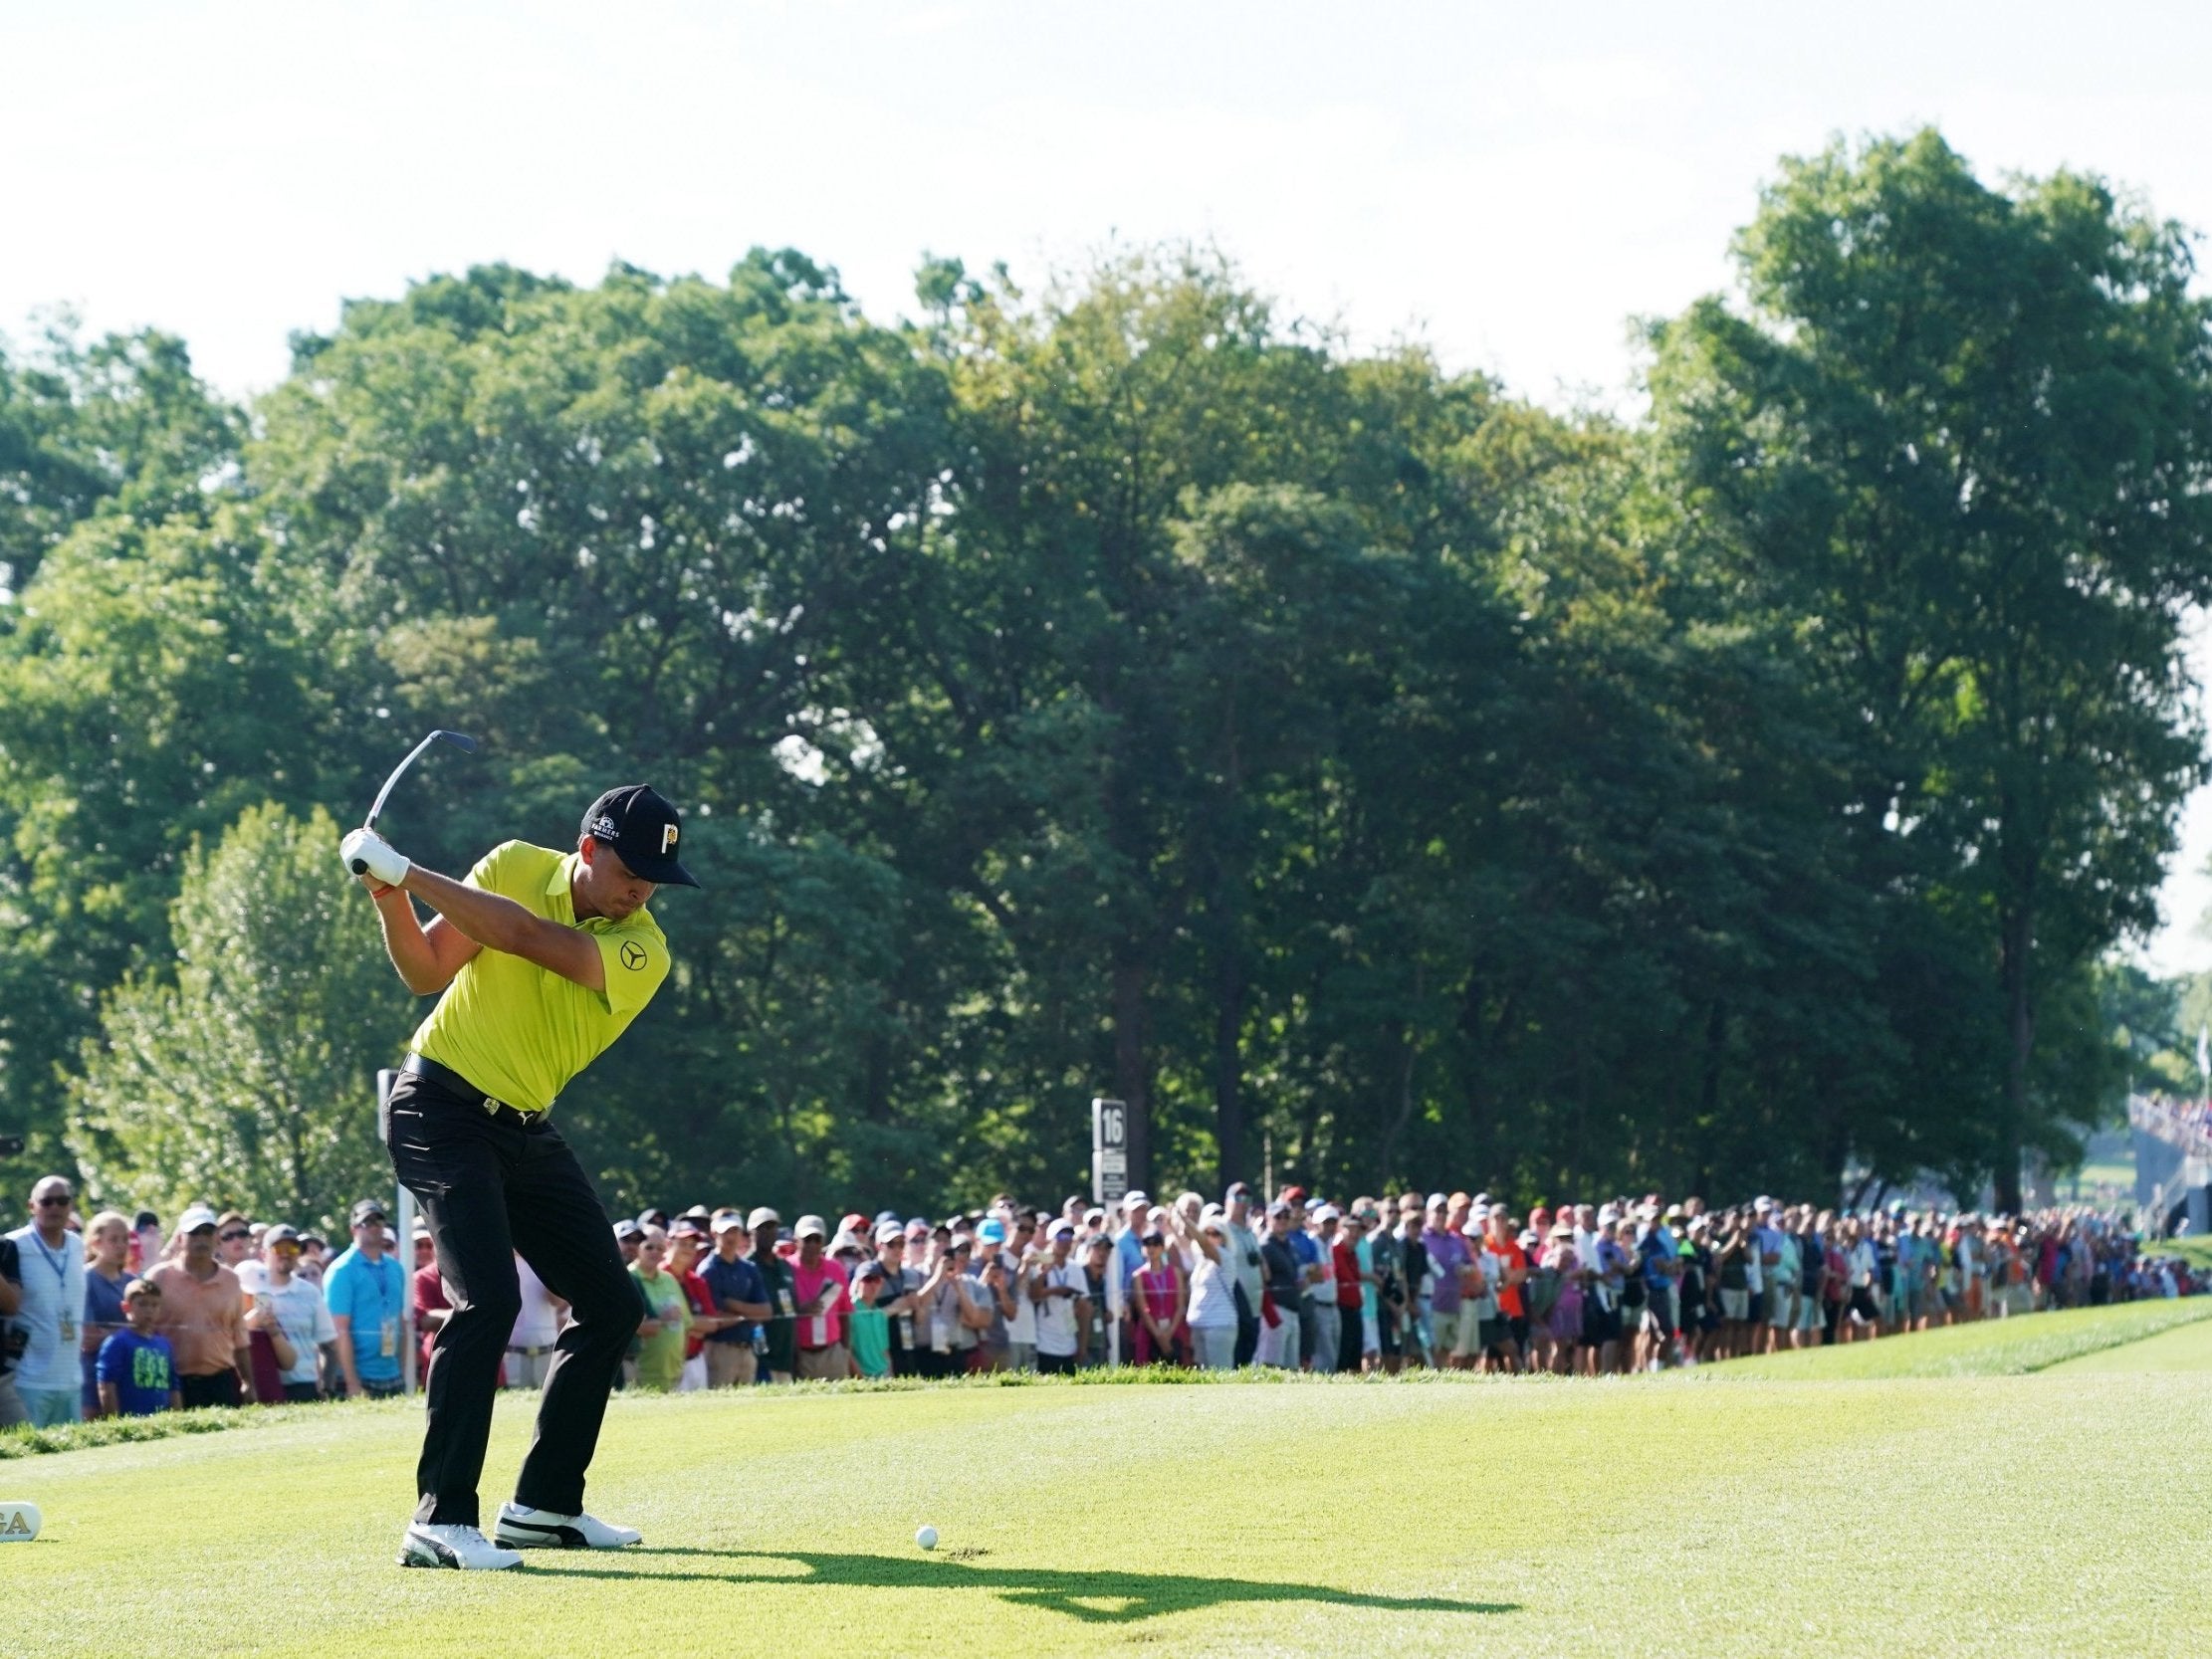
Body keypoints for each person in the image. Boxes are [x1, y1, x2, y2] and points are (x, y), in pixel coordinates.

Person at [343, 782, 696, 1567]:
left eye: (655, 879)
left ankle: (542, 1506)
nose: (641, 891)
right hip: (437, 1103)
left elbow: (530, 938)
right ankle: (439, 1518)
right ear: (589, 848)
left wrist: (408, 870)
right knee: (489, 1297)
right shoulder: (509, 864)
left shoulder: (643, 947)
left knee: (610, 1302)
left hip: (523, 1126)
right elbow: (427, 969)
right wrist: (384, 895)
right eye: (631, 870)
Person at [144, 1204, 257, 1409]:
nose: (201, 1239)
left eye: (207, 1232)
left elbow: (239, 1336)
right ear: (179, 1239)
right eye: (194, 1233)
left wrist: (248, 1382)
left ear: (216, 1238)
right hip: (172, 1382)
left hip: (221, 1380)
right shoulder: (158, 1277)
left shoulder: (230, 1280)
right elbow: (144, 1332)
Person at [7, 1174, 89, 1426]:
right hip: (28, 1380)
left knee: (72, 1461)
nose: (55, 1208)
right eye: (47, 1201)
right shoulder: (12, 1246)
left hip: (71, 1378)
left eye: (62, 1201)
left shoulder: (76, 1245)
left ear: (71, 1206)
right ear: (32, 1206)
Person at [324, 1200, 408, 1400]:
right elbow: (339, 1330)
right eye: (366, 1222)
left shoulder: (395, 1268)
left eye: (378, 1221)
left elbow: (400, 1321)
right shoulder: (342, 1270)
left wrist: (402, 1371)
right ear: (353, 1229)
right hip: (360, 1377)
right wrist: (353, 1384)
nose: (374, 1226)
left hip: (392, 1374)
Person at [252, 1225, 335, 1402]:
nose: (286, 1253)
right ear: (263, 1254)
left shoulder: (310, 1292)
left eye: (292, 1248)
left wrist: (326, 1388)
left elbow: (328, 1345)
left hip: (304, 1387)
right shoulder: (252, 1291)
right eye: (279, 1248)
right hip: (265, 1387)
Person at [95, 1279, 182, 1417]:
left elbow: (173, 1385)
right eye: (142, 1304)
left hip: (162, 1420)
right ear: (126, 1307)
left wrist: (177, 1418)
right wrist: (114, 1423)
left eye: (155, 1305)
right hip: (131, 1419)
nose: (149, 1310)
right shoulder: (117, 1342)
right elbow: (107, 1386)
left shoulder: (164, 1344)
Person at [700, 1213, 769, 1388]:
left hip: (747, 1348)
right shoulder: (708, 1270)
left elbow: (766, 1312)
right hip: (719, 1348)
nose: (731, 1237)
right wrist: (749, 1313)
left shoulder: (749, 1268)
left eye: (735, 1231)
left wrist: (734, 1305)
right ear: (715, 1234)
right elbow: (716, 1319)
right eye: (725, 1232)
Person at [80, 1210, 136, 1418]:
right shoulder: (84, 1278)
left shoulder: (132, 1282)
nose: (121, 1245)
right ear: (96, 1242)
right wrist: (131, 1331)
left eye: (125, 1239)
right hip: (93, 1372)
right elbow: (89, 1338)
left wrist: (112, 1332)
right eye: (114, 1240)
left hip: (127, 1371)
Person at [626, 1226, 689, 1391]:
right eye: (649, 1247)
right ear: (639, 1247)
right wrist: (663, 1319)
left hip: (674, 1370)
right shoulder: (629, 1278)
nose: (655, 1252)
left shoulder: (669, 1279)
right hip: (642, 1370)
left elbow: (686, 1323)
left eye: (660, 1248)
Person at [1028, 1220, 1090, 1374]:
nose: (1066, 1242)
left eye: (1069, 1237)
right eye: (1061, 1237)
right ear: (1050, 1239)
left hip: (1069, 1343)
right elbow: (1034, 1296)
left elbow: (1084, 1307)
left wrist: (1082, 1345)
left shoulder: (1075, 1268)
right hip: (1044, 1343)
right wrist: (1052, 1286)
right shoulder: (1040, 1261)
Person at [750, 1207, 798, 1383]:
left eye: (772, 1227)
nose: (768, 1233)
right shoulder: (747, 1266)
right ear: (751, 1233)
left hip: (786, 1356)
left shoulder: (785, 1266)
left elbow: (792, 1307)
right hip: (760, 1357)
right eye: (762, 1228)